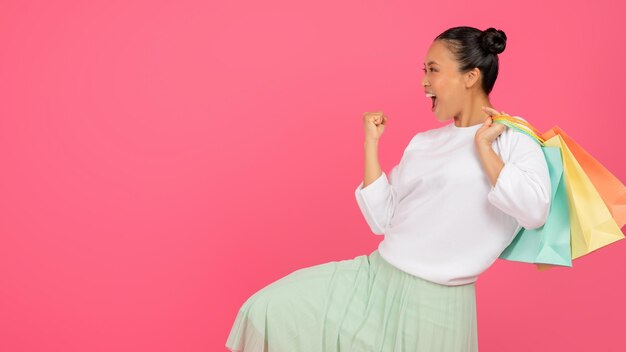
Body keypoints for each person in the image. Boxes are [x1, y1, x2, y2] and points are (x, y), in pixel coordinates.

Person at [225, 26, 551, 352]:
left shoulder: (512, 139)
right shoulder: (423, 144)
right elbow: (382, 219)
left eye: (433, 70)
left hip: (439, 306)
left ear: (470, 77)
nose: (424, 81)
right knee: (267, 309)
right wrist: (371, 145)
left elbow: (535, 211)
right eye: (423, 71)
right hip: (373, 281)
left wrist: (484, 150)